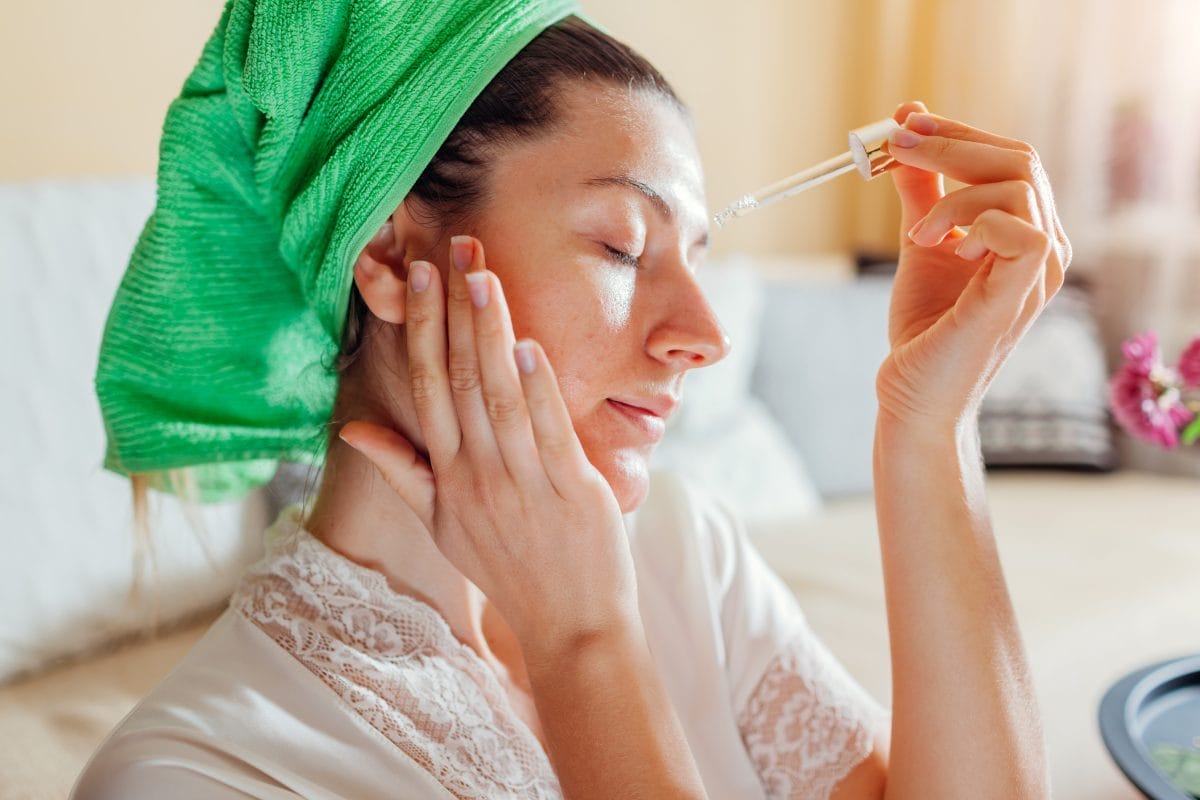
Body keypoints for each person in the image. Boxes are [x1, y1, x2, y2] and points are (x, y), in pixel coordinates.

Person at [75, 2, 1069, 798]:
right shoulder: (197, 772)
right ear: (389, 250)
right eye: (623, 247)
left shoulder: (683, 548)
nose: (707, 336)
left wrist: (928, 427)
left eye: (700, 260)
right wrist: (582, 643)